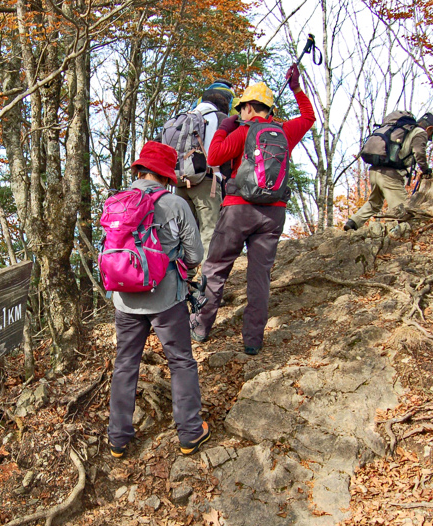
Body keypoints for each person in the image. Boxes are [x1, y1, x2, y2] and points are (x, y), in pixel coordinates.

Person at [189, 65, 316, 355]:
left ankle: (199, 327)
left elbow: (214, 156)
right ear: (268, 110)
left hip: (238, 210)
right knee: (260, 277)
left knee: (216, 268)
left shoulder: (242, 131)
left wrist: (226, 125)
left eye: (240, 108)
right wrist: (296, 88)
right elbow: (309, 117)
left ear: (247, 108)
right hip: (273, 214)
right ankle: (252, 341)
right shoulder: (284, 131)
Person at [108, 141, 209, 458]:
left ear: (138, 170)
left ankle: (118, 439)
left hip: (124, 298)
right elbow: (195, 255)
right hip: (166, 298)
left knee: (125, 364)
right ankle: (190, 433)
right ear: (166, 176)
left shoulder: (115, 202)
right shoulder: (175, 205)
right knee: (180, 361)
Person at [344, 112, 433, 231]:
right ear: (430, 128)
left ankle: (353, 222)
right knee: (401, 209)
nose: (428, 137)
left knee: (374, 203)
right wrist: (425, 170)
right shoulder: (420, 132)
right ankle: (391, 234)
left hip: (374, 171)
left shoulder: (399, 129)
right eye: (430, 134)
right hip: (390, 175)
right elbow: (419, 153)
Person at [176, 80, 235, 256]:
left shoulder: (182, 118)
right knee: (209, 232)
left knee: (182, 234)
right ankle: (206, 281)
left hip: (179, 181)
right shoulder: (223, 120)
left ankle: (183, 279)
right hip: (206, 182)